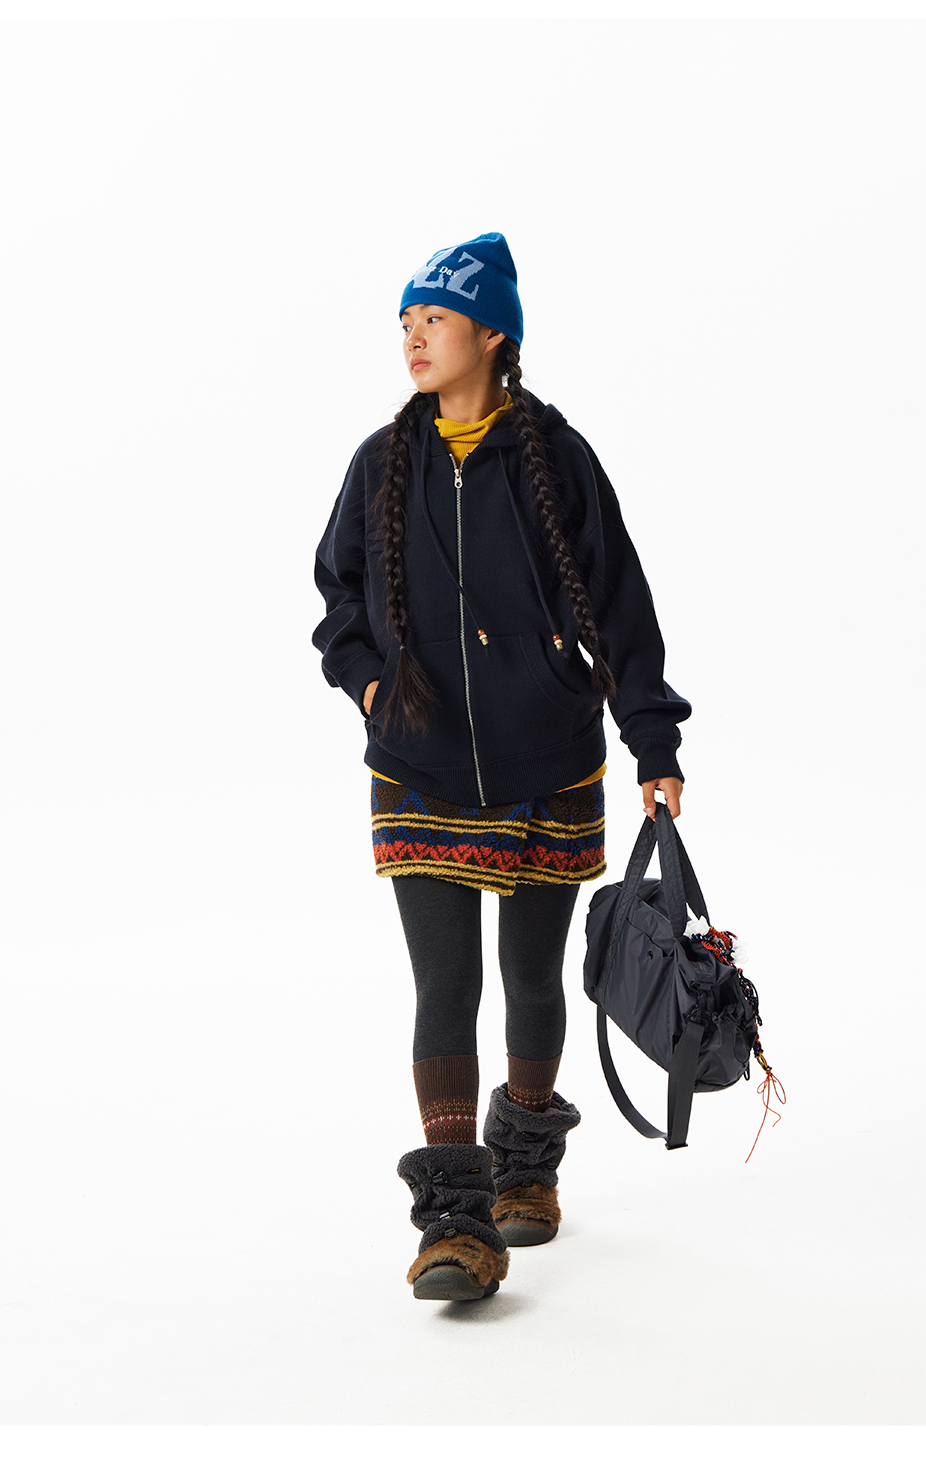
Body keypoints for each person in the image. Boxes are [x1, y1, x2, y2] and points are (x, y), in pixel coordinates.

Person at [312, 232, 690, 1302]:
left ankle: (526, 1164)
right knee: (446, 984)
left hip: (546, 761)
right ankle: (454, 1222)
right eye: (404, 321)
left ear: (492, 334)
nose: (412, 338)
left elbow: (621, 601)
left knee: (530, 978)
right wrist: (372, 688)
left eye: (433, 318)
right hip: (418, 761)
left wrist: (652, 742)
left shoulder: (555, 456)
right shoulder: (379, 464)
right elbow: (335, 599)